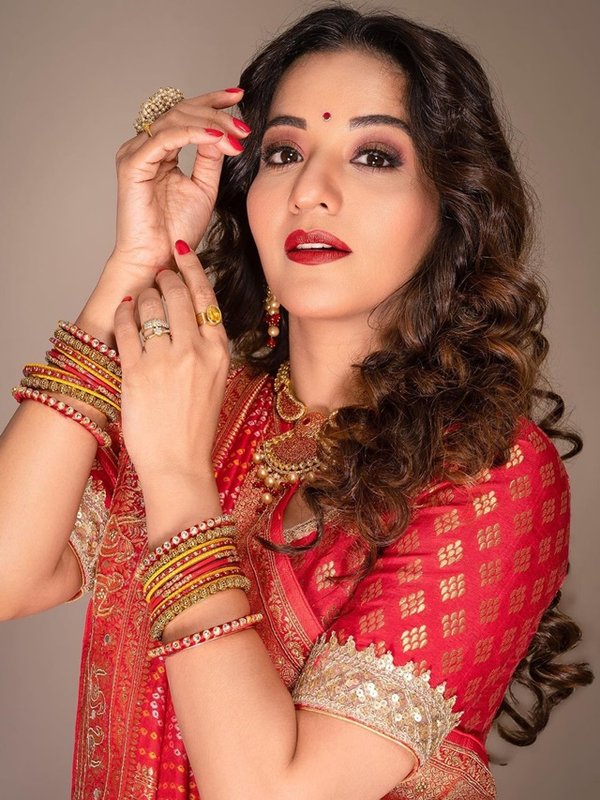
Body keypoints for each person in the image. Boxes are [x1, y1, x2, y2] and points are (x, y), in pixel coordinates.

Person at [0, 5, 593, 799]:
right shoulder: (200, 396)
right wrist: (133, 265)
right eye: (284, 153)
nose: (312, 191)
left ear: (450, 207)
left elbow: (274, 791)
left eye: (374, 156)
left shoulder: (490, 469)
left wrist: (176, 477)